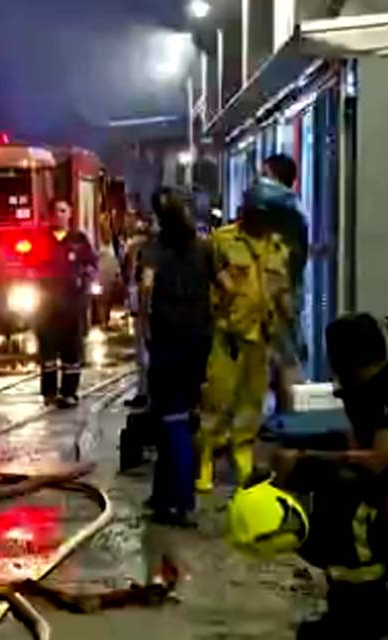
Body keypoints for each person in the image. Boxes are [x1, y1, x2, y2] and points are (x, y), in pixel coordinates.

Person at [245, 314, 388, 638]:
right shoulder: (367, 387)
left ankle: (361, 609)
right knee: (319, 474)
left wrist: (304, 460)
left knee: (342, 487)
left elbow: (379, 461)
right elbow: (356, 444)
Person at [197, 183, 292, 492]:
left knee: (252, 402)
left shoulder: (278, 248)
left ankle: (242, 453)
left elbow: (282, 293)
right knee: (217, 399)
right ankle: (206, 458)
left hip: (261, 335)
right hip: (228, 336)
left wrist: (291, 328)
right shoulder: (222, 241)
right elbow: (207, 286)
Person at [143, 188, 212, 526]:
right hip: (198, 344)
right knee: (177, 418)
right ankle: (162, 495)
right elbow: (222, 288)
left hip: (168, 345)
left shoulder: (155, 251)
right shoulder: (203, 249)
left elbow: (145, 291)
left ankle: (181, 502)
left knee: (172, 422)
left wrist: (144, 332)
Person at [36, 199, 98, 409]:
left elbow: (92, 264)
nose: (59, 215)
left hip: (72, 305)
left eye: (63, 211)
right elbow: (28, 263)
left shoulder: (79, 240)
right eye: (55, 211)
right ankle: (49, 392)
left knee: (71, 351)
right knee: (47, 351)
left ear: (70, 213)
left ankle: (69, 392)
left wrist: (85, 281)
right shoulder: (40, 239)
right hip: (46, 306)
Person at [260, 154, 309, 411]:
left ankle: (291, 417)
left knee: (285, 362)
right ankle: (285, 414)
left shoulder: (280, 208)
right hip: (284, 294)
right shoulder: (292, 208)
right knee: (281, 361)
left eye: (264, 175)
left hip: (280, 295)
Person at [122, 211, 155, 409]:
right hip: (142, 303)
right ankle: (144, 391)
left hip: (151, 305)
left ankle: (147, 392)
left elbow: (142, 281)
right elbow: (130, 276)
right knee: (142, 353)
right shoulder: (134, 247)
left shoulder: (153, 250)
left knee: (147, 352)